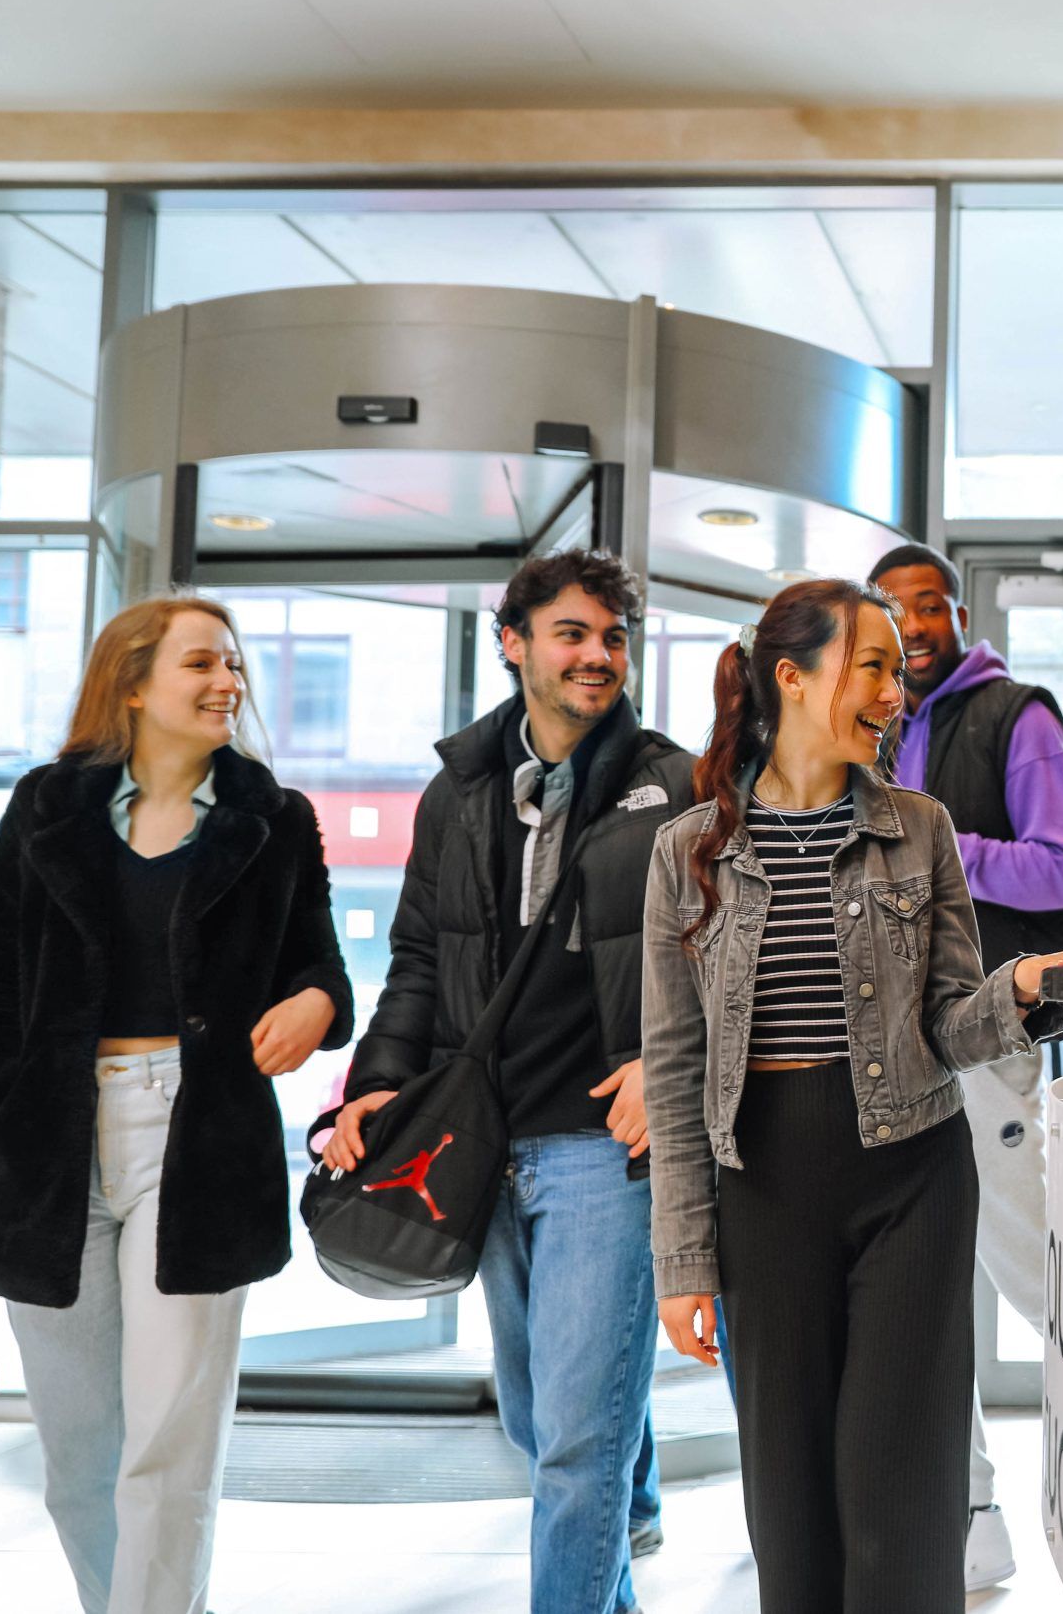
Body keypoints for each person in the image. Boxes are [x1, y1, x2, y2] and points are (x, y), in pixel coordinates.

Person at [641, 577, 1063, 1613]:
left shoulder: (921, 827)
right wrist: (681, 1258)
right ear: (793, 675)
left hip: (912, 1176)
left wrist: (1020, 990)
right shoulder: (688, 852)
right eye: (873, 666)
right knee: (790, 1502)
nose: (895, 692)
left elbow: (948, 1023)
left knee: (901, 1491)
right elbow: (674, 1069)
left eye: (900, 672)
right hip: (761, 1188)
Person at [0, 596, 352, 1614]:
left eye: (236, 665)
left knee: (166, 1452)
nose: (229, 683)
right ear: (132, 683)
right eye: (202, 663)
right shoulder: (46, 806)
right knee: (81, 1459)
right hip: (49, 1149)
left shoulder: (276, 820)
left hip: (196, 1144)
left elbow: (321, 969)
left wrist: (314, 1002)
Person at [323, 549, 694, 1614]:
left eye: (614, 638)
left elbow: (719, 956)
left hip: (599, 1151)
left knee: (577, 1444)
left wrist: (660, 1074)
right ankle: (628, 1523)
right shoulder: (460, 790)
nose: (597, 657)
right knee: (538, 1424)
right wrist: (376, 1084)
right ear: (515, 645)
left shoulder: (670, 781)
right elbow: (418, 961)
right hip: (480, 1145)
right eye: (572, 634)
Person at [869, 541, 1063, 1591]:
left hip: (990, 1036)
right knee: (929, 1295)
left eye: (928, 607)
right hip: (893, 1046)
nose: (911, 628)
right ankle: (971, 1522)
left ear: (960, 613)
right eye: (891, 612)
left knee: (1033, 1274)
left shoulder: (1017, 716)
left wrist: (937, 841)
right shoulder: (876, 726)